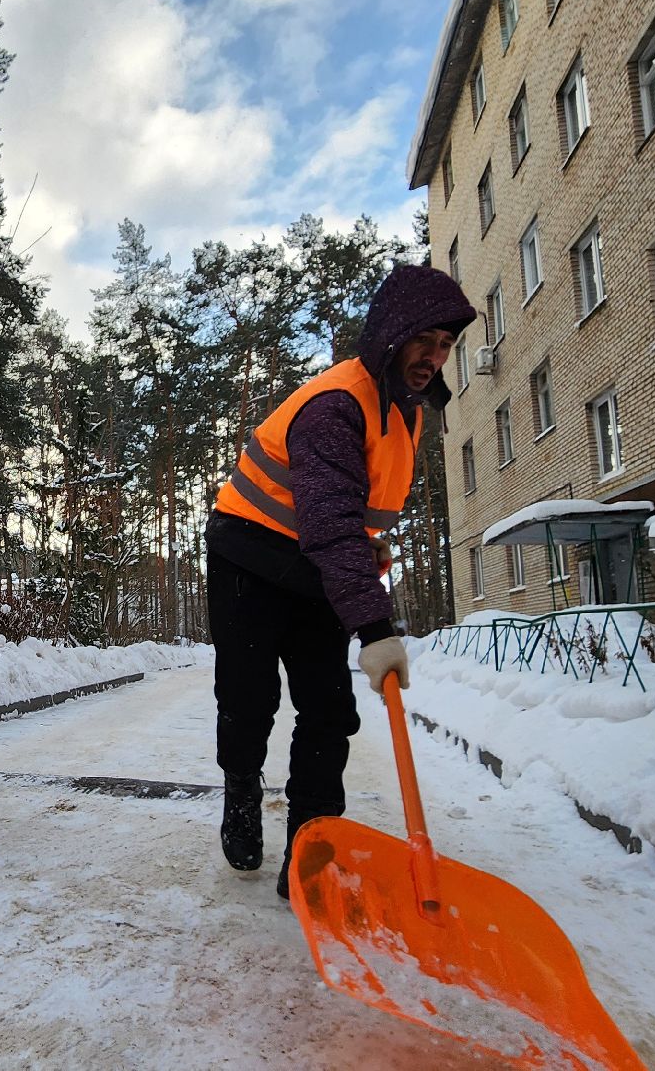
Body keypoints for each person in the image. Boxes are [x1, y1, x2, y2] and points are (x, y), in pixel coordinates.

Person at [206, 263, 475, 898]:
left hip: (311, 573)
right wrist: (374, 624)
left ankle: (312, 849)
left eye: (446, 346)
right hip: (248, 557)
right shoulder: (336, 407)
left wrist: (363, 556)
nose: (435, 358)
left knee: (329, 709)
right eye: (425, 341)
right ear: (391, 333)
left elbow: (350, 515)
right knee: (249, 701)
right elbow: (327, 519)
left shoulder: (405, 410)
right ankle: (241, 791)